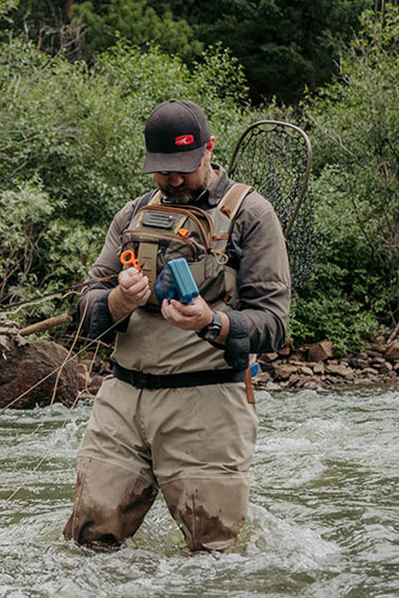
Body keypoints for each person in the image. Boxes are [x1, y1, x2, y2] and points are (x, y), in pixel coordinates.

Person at [62, 98, 291, 552]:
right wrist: (119, 300)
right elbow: (85, 309)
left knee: (213, 555)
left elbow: (275, 324)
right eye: (163, 169)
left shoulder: (251, 216)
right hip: (123, 402)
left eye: (184, 167)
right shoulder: (132, 215)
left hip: (207, 405)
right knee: (85, 546)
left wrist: (212, 320)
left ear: (209, 149)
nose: (173, 179)